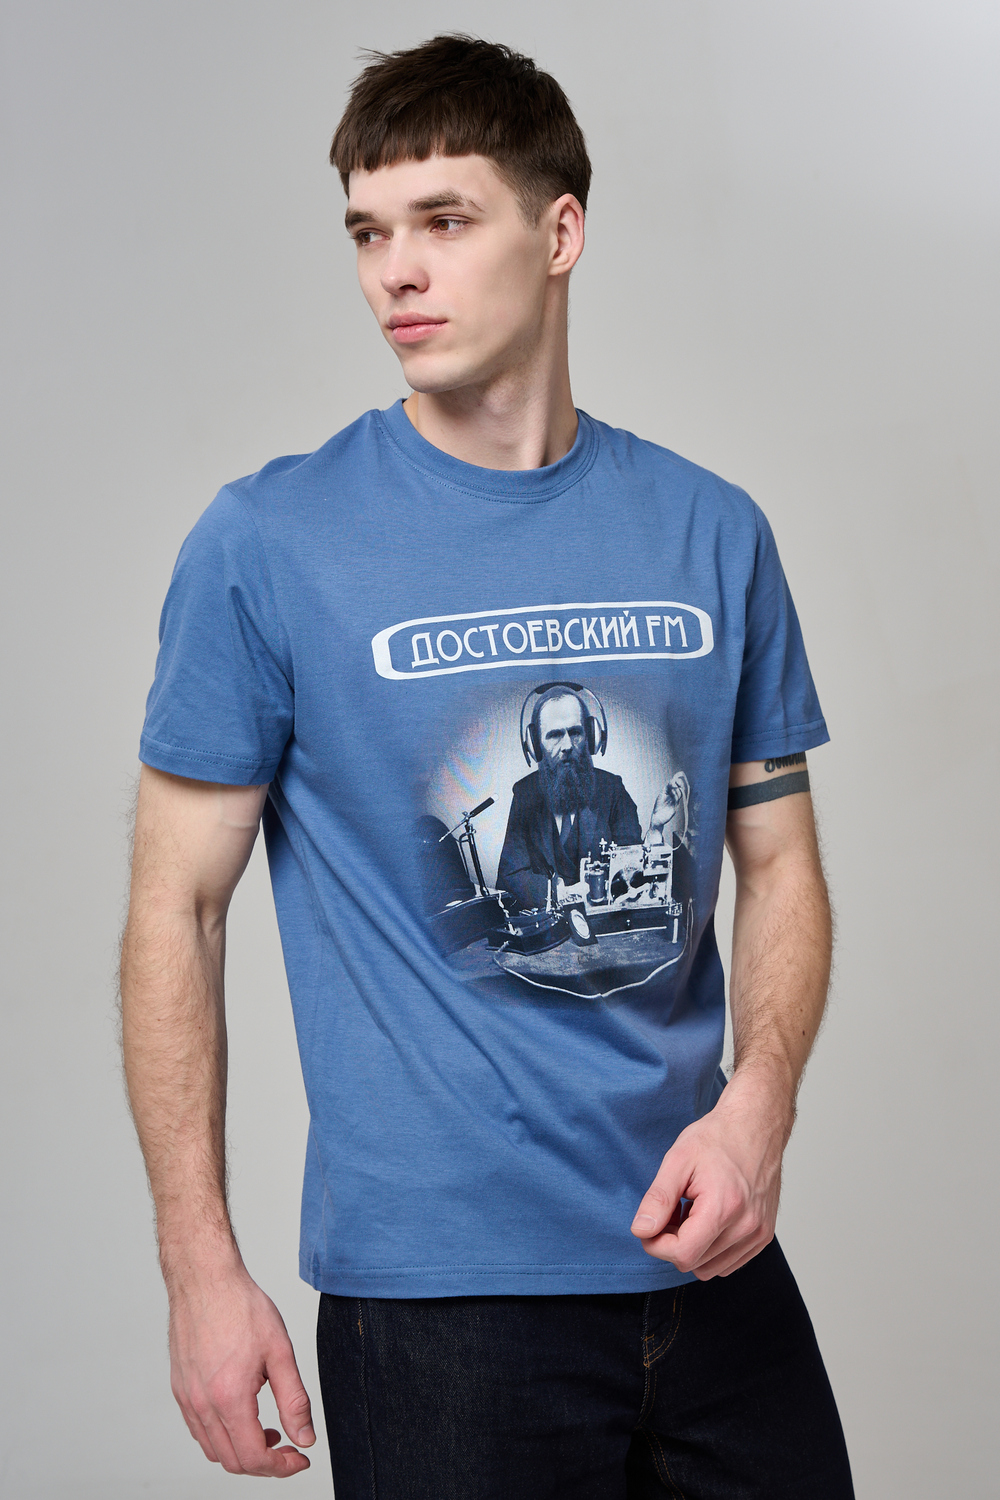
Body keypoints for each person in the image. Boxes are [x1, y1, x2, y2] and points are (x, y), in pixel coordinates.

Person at [120, 34, 854, 1498]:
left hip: (704, 1256)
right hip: (441, 1304)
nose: (396, 272)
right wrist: (201, 1272)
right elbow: (173, 912)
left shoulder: (712, 531)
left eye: (444, 221)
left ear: (559, 231)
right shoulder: (268, 545)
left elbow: (778, 864)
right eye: (368, 233)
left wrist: (760, 1105)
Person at [497, 683, 687, 910]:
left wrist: (655, 828)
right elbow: (511, 876)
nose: (567, 745)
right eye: (555, 735)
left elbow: (633, 871)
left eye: (575, 732)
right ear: (536, 745)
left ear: (592, 737)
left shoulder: (612, 789)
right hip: (550, 923)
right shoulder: (524, 794)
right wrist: (559, 893)